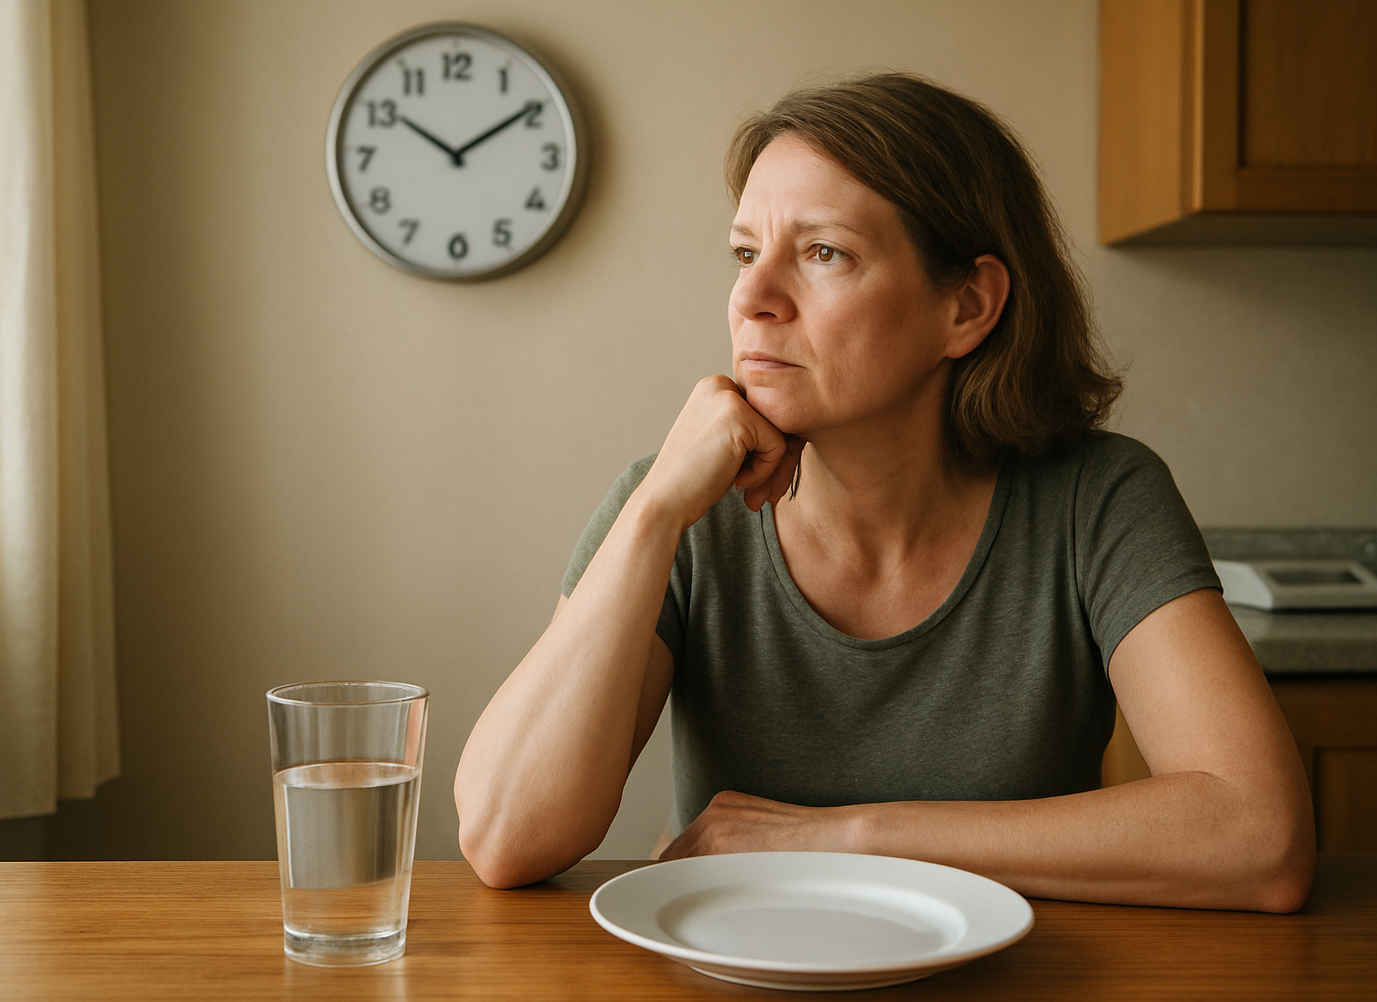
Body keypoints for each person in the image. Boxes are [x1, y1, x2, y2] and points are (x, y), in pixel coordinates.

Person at [453, 73, 1315, 911]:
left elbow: (1258, 836)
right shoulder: (676, 510)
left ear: (968, 306)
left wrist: (847, 836)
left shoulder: (1098, 499)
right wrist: (652, 515)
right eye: (745, 254)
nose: (751, 299)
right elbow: (504, 838)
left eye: (823, 253)